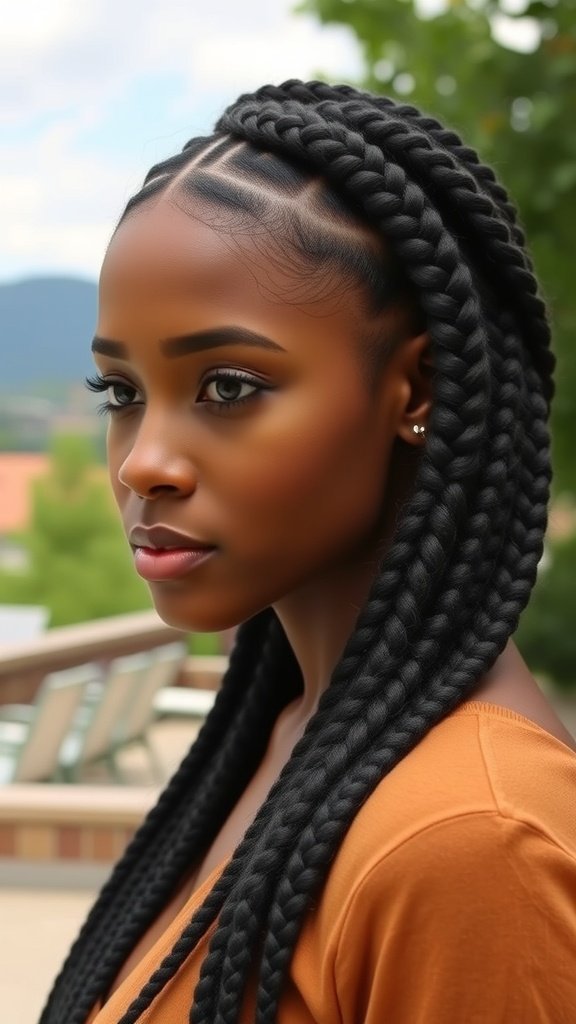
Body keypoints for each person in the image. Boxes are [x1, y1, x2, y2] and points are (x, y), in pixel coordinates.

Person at [41, 80, 576, 1024]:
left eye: (229, 386)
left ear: (416, 388)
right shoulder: (288, 737)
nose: (145, 464)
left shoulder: (473, 845)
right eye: (120, 391)